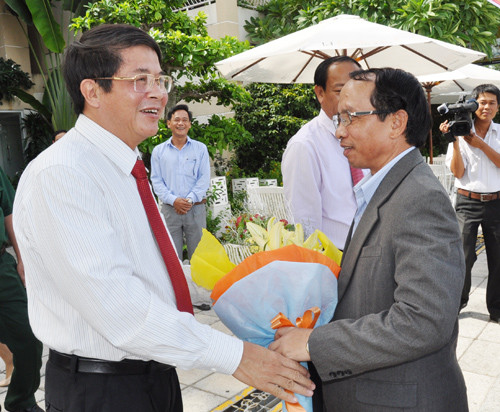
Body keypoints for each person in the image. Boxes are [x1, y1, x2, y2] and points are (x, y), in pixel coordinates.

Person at [13, 24, 314, 411]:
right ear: (92, 92)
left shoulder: (126, 165)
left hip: (156, 376)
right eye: (140, 80)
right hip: (102, 391)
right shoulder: (63, 174)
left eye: (160, 78)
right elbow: (121, 312)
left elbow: (152, 274)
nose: (158, 92)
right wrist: (237, 356)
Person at [270, 68, 468, 411]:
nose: (339, 131)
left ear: (396, 122)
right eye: (338, 118)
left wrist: (314, 343)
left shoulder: (419, 198)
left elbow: (423, 320)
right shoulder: (383, 189)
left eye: (350, 117)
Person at [281, 56, 363, 251]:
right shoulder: (304, 146)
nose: (350, 98)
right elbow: (304, 223)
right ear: (320, 93)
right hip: (335, 256)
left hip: (371, 251)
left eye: (357, 89)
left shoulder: (365, 136)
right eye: (340, 90)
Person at [443, 84, 500, 322]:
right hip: (467, 201)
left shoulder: (499, 133)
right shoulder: (460, 130)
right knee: (463, 256)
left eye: (491, 103)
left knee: (498, 258)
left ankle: (496, 309)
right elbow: (458, 172)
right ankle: (456, 304)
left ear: (498, 106)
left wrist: (481, 145)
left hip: (496, 202)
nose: (486, 107)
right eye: (482, 102)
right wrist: (456, 141)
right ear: (473, 104)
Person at [0, 166, 43, 412]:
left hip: (2, 269)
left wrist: (21, 257)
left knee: (30, 338)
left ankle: (21, 402)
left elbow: (8, 213)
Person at [151, 104, 210, 261]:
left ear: (190, 124)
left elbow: (204, 179)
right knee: (170, 259)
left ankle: (197, 287)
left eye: (185, 120)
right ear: (169, 123)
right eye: (176, 119)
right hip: (170, 211)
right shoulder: (158, 151)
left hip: (196, 210)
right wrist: (173, 200)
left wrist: (189, 200)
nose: (181, 123)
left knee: (200, 259)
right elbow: (156, 181)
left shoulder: (200, 149)